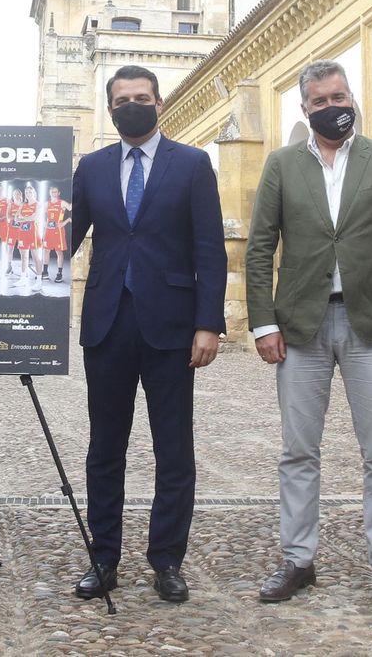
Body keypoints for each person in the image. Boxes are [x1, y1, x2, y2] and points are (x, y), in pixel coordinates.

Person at [244, 59, 372, 613]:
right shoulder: (281, 164)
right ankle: (298, 559)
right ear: (306, 109)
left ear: (354, 99)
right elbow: (259, 247)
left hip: (370, 321)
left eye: (339, 96)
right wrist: (263, 322)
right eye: (321, 101)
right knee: (298, 451)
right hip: (301, 326)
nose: (333, 107)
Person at [69, 64, 227, 603]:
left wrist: (210, 322)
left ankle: (167, 560)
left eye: (142, 97)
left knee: (174, 450)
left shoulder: (192, 164)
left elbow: (210, 247)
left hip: (174, 327)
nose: (132, 105)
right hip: (108, 323)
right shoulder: (90, 168)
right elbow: (65, 239)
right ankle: (103, 558)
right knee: (104, 448)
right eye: (121, 100)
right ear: (110, 109)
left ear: (158, 104)